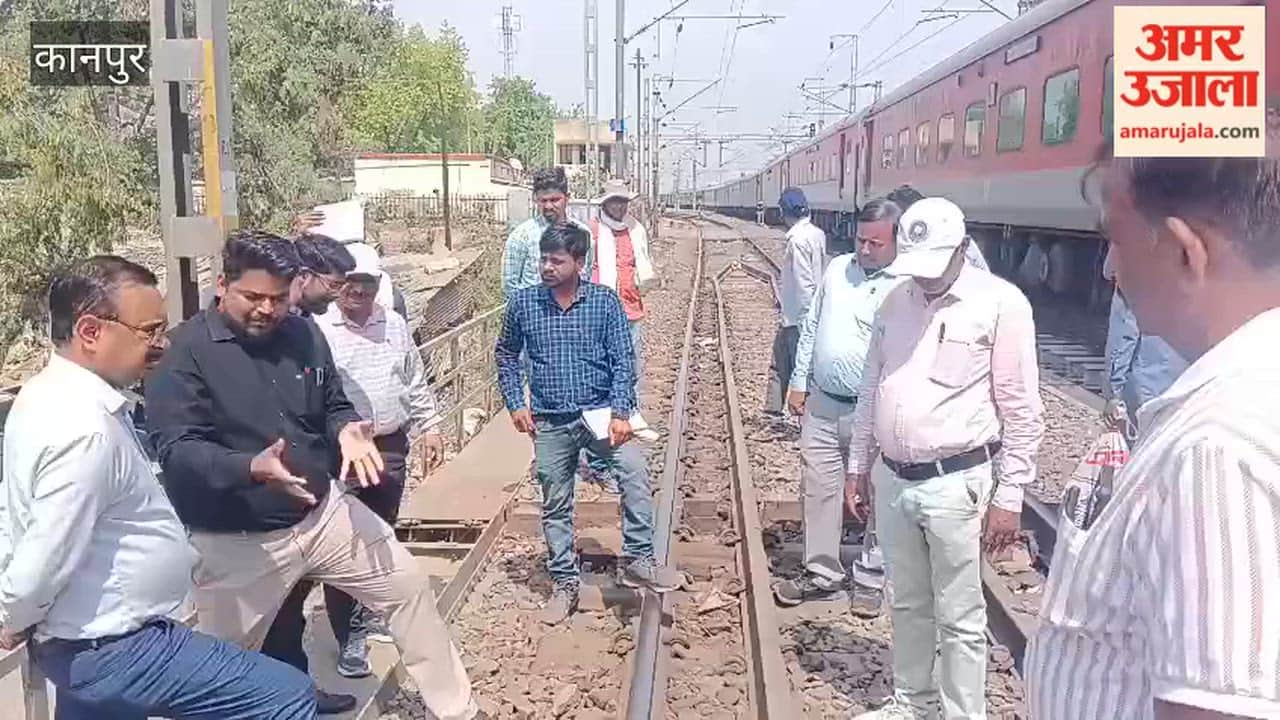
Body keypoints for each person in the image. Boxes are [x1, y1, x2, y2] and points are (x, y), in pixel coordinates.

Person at [145, 232, 480, 720]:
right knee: (214, 670)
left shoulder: (303, 334)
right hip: (239, 542)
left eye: (278, 299)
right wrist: (249, 467)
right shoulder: (185, 352)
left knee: (408, 586)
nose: (266, 309)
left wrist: (347, 432)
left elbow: (333, 404)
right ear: (223, 286)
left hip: (323, 517)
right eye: (253, 297)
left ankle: (460, 711)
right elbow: (178, 450)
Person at [1024, 139, 1280, 719]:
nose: (1111, 269)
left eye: (1116, 239)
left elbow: (1218, 710)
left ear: (1188, 253)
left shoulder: (1217, 447)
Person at [0, 256, 317, 719]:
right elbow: (45, 555)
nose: (162, 344)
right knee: (285, 695)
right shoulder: (83, 431)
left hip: (90, 640)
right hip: (114, 646)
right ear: (90, 332)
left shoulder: (43, 397)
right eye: (149, 331)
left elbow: (13, 512)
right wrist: (9, 615)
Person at [846, 197, 1044, 720]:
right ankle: (913, 702)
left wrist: (1011, 493)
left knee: (960, 614)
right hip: (894, 479)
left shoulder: (1001, 304)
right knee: (908, 603)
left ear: (961, 248)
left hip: (956, 483)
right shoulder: (895, 302)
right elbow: (873, 386)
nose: (926, 279)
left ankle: (963, 713)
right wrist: (857, 463)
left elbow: (1022, 410)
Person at [494, 222, 681, 625]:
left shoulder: (604, 302)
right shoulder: (524, 304)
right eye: (544, 259)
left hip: (599, 414)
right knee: (556, 501)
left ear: (579, 263)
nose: (547, 267)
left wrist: (620, 412)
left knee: (633, 472)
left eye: (556, 260)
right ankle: (564, 582)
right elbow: (506, 355)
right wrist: (514, 404)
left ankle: (639, 558)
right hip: (549, 420)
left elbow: (622, 361)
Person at [311, 248, 446, 679]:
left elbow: (414, 379)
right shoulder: (320, 330)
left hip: (391, 446)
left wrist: (431, 426)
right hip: (343, 451)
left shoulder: (395, 324)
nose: (357, 290)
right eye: (349, 281)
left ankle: (369, 614)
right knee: (345, 543)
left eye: (366, 282)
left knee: (382, 533)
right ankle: (348, 635)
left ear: (377, 284)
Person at [774, 198, 905, 615]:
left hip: (878, 411)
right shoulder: (836, 269)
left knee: (876, 493)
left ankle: (870, 575)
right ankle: (822, 571)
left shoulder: (906, 284)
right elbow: (811, 326)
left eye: (876, 243)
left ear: (898, 242)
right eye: (860, 240)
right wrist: (797, 381)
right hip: (825, 404)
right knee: (820, 488)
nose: (865, 250)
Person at [1101, 249, 1187, 434]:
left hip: (1145, 390)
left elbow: (1124, 332)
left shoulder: (1133, 248)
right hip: (1187, 387)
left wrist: (1113, 394)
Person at [764, 187, 826, 421]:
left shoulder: (797, 240)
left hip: (797, 316)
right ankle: (774, 410)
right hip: (804, 312)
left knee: (786, 364)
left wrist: (804, 321)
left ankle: (794, 415)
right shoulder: (817, 234)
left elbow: (803, 282)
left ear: (784, 212)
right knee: (786, 363)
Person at [589, 178, 655, 379]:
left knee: (631, 364)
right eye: (614, 201)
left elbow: (642, 265)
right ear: (604, 203)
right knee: (602, 365)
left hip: (630, 307)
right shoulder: (592, 230)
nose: (619, 206)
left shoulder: (636, 230)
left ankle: (630, 407)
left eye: (623, 201)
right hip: (600, 310)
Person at [502, 167, 591, 299]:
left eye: (555, 200)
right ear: (535, 200)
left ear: (567, 198)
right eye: (543, 201)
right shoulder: (522, 236)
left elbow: (585, 276)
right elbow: (510, 287)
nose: (548, 206)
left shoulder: (582, 234)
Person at [292, 234, 355, 317]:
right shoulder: (272, 321)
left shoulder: (301, 321)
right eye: (334, 285)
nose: (339, 294)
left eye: (342, 286)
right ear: (304, 276)